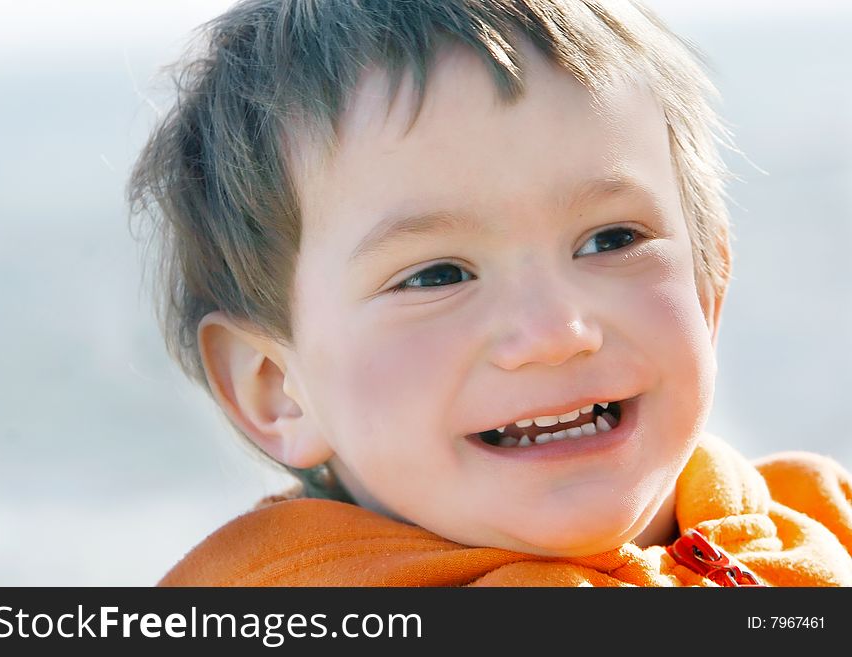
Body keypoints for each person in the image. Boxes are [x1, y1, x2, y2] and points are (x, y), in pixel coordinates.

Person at [128, 0, 852, 586]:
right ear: (277, 385)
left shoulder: (821, 519)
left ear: (708, 286)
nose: (557, 330)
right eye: (437, 275)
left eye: (611, 239)